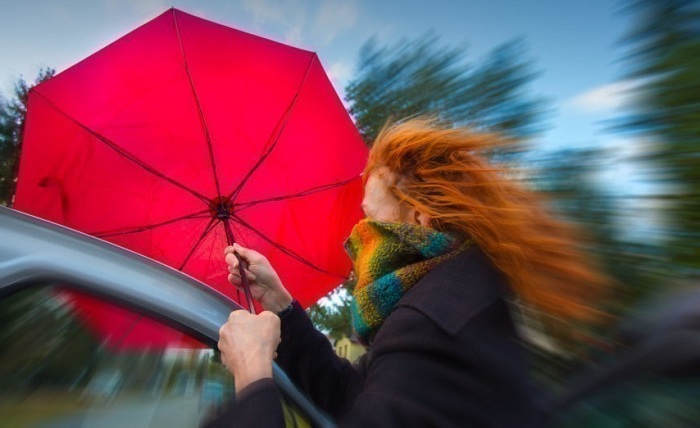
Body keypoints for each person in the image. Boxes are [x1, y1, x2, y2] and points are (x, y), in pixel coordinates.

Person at [213, 118, 608, 427]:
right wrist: (281, 304)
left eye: (368, 218)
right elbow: (356, 397)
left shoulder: (434, 323)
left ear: (420, 217)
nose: (357, 234)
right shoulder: (452, 298)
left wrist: (251, 371)